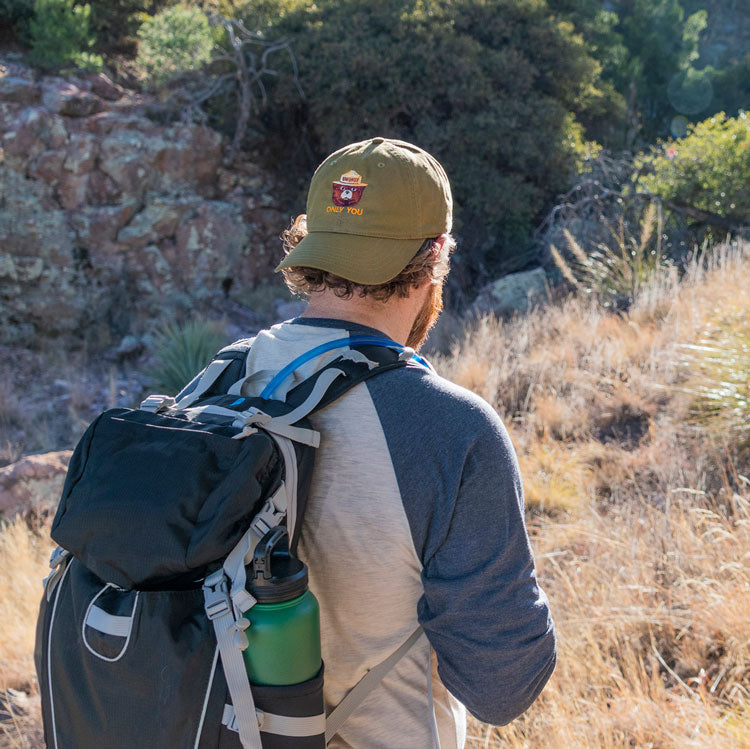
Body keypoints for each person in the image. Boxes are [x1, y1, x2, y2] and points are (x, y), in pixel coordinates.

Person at [231, 137, 556, 748]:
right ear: (437, 256)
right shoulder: (450, 428)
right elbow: (504, 687)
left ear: (314, 245)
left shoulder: (216, 380)